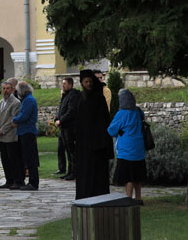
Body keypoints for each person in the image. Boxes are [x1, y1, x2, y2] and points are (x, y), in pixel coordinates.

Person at [75, 69, 113, 200]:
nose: (89, 84)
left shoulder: (98, 98)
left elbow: (103, 122)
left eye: (90, 81)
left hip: (97, 144)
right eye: (86, 82)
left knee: (96, 172)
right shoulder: (80, 98)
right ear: (81, 83)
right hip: (83, 143)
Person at [107, 89, 146, 204]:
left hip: (126, 150)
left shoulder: (121, 114)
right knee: (138, 176)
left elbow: (111, 130)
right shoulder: (138, 111)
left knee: (128, 177)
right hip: (139, 149)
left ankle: (129, 199)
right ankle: (138, 198)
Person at [0, 81, 23, 189]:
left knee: (13, 159)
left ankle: (17, 180)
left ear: (12, 90)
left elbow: (12, 118)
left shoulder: (16, 103)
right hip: (1, 137)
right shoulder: (1, 102)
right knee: (4, 159)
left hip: (10, 135)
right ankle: (9, 180)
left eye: (7, 89)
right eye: (4, 88)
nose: (5, 91)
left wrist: (3, 130)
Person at [12, 81, 39, 190]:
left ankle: (33, 182)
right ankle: (32, 181)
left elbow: (24, 116)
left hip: (27, 131)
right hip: (26, 131)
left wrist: (14, 120)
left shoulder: (28, 100)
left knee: (30, 158)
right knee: (28, 158)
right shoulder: (28, 99)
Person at [55, 77, 81, 181]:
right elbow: (62, 108)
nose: (63, 85)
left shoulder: (73, 95)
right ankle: (69, 171)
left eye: (65, 84)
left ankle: (74, 172)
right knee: (66, 149)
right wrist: (57, 118)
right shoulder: (65, 95)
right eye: (63, 83)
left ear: (70, 85)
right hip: (64, 127)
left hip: (70, 127)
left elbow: (71, 111)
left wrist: (61, 120)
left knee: (72, 150)